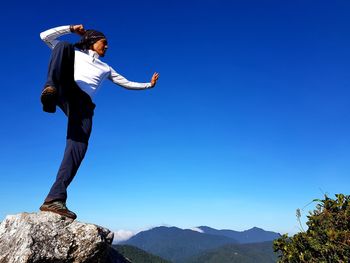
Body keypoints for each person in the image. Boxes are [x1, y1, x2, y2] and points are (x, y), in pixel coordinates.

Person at [39, 24, 159, 219]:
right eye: (105, 43)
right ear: (93, 41)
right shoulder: (76, 53)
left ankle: (54, 199)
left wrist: (149, 85)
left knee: (77, 150)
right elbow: (45, 36)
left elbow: (126, 83)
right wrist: (70, 28)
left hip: (83, 106)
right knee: (63, 47)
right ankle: (50, 92)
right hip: (66, 88)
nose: (107, 47)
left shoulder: (106, 68)